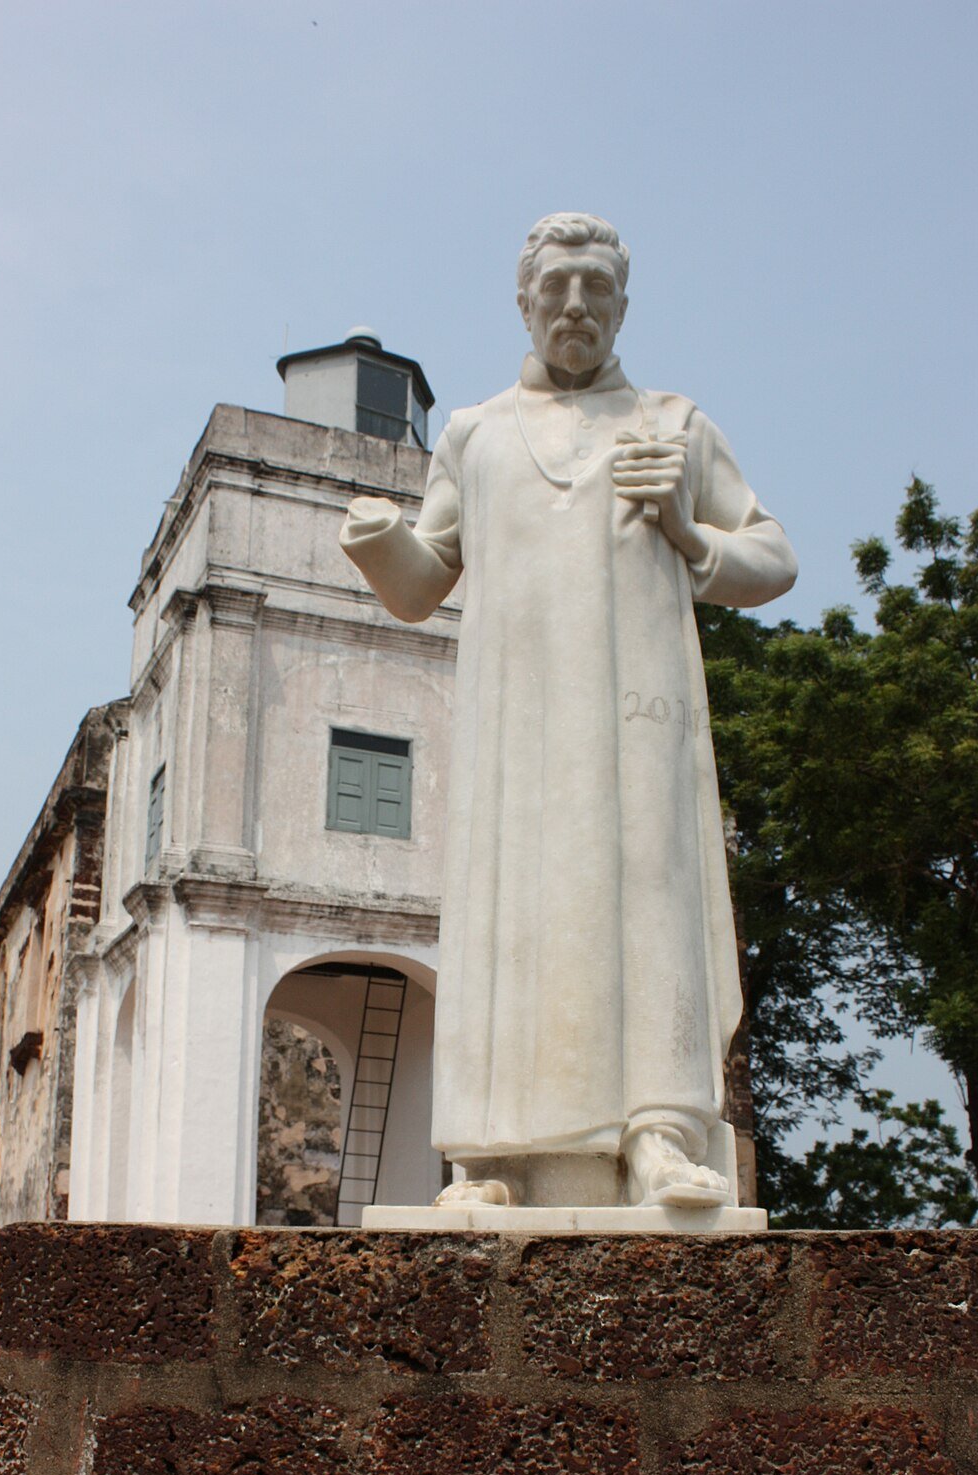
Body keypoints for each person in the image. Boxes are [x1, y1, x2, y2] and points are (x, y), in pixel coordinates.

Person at [341, 212, 797, 1214]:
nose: (577, 306)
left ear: (623, 304)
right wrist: (380, 543)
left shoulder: (674, 426)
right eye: (558, 289)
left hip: (636, 722)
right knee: (515, 923)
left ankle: (661, 1136)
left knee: (646, 908)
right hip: (518, 731)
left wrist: (686, 531)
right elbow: (423, 585)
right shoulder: (475, 433)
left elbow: (772, 557)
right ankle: (493, 1159)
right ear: (525, 301)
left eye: (597, 289)